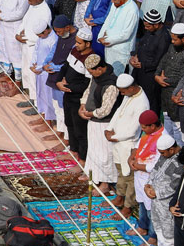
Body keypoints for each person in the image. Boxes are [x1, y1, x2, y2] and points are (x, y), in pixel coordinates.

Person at [107, 74, 152, 214]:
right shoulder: (128, 95)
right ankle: (120, 197)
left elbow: (134, 130)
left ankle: (128, 206)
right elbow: (118, 112)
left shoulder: (142, 103)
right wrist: (109, 128)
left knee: (130, 176)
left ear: (132, 88)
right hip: (118, 141)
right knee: (121, 172)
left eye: (123, 91)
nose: (122, 93)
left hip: (128, 143)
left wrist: (116, 137)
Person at [80, 54, 122, 191]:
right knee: (93, 150)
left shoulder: (111, 84)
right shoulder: (96, 77)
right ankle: (93, 175)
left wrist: (91, 113)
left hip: (105, 123)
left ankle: (106, 182)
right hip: (92, 122)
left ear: (100, 68)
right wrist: (82, 105)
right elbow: (88, 91)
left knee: (105, 154)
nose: (91, 74)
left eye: (92, 71)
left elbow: (106, 109)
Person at [148, 135, 184, 246]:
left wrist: (155, 192)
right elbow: (155, 170)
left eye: (163, 153)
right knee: (158, 227)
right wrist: (148, 185)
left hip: (165, 202)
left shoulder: (180, 162)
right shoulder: (164, 156)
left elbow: (174, 185)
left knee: (169, 235)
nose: (161, 155)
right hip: (155, 199)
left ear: (172, 149)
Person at [59, 30, 96, 160]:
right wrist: (59, 81)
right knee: (69, 123)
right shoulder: (74, 51)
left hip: (78, 99)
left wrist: (68, 87)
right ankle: (73, 151)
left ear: (88, 44)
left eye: (79, 43)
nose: (76, 45)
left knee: (80, 130)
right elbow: (65, 67)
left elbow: (87, 85)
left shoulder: (91, 59)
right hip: (67, 95)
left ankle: (83, 158)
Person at [130, 110, 165, 237]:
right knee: (142, 204)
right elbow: (137, 147)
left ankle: (153, 236)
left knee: (152, 210)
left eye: (144, 127)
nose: (142, 129)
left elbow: (157, 165)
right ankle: (142, 227)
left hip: (150, 178)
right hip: (139, 175)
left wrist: (137, 165)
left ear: (153, 126)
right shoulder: (146, 134)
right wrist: (131, 158)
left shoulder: (163, 139)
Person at [130, 9, 171, 108]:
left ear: (156, 25)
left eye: (148, 26)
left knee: (149, 103)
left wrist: (143, 65)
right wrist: (134, 56)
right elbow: (141, 45)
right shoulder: (149, 31)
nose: (145, 28)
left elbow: (160, 60)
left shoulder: (164, 38)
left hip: (150, 76)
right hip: (139, 72)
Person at [16, 0, 51, 95]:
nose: (28, 3)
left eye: (30, 0)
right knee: (26, 72)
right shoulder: (33, 6)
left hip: (35, 46)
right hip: (26, 45)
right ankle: (31, 97)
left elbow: (43, 33)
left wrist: (26, 38)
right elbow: (24, 21)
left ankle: (36, 103)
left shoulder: (45, 11)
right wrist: (18, 33)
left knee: (34, 75)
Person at [98, 0, 140, 75]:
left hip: (121, 51)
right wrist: (100, 36)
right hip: (109, 49)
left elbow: (126, 34)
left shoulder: (132, 10)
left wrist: (108, 40)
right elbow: (108, 20)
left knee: (118, 77)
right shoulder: (116, 4)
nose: (112, 2)